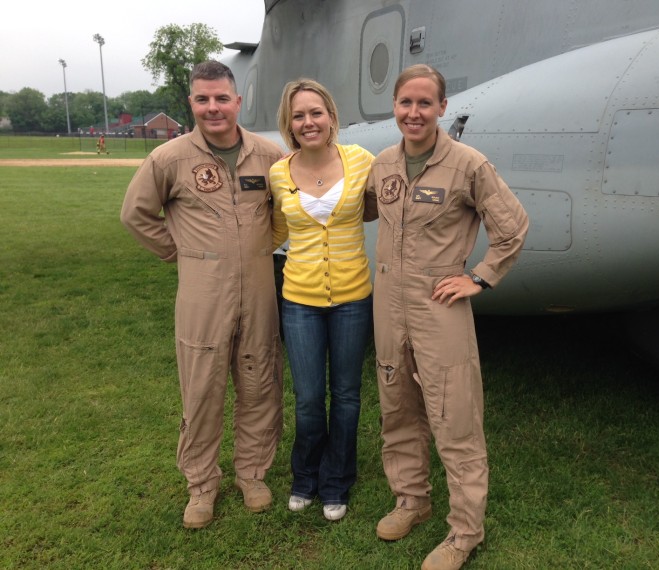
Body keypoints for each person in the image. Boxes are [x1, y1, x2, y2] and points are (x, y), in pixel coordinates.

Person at [364, 64, 529, 570]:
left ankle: (464, 532)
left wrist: (478, 278)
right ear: (394, 107)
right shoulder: (383, 164)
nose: (413, 113)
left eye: (423, 103)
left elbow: (513, 227)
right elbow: (360, 209)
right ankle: (412, 500)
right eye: (405, 103)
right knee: (398, 408)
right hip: (388, 304)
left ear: (442, 107)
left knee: (455, 419)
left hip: (440, 308)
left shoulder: (468, 164)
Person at [120, 60, 284, 529]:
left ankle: (252, 474)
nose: (213, 107)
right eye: (202, 99)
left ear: (237, 101)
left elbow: (283, 211)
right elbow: (136, 213)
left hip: (257, 293)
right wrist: (180, 253)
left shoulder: (268, 156)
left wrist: (258, 250)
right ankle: (201, 485)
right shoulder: (170, 159)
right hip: (202, 297)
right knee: (202, 390)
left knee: (259, 385)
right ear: (191, 104)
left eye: (221, 98)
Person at [269, 79, 374, 522]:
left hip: (353, 297)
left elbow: (387, 203)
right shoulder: (279, 172)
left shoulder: (361, 160)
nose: (308, 122)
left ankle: (336, 481)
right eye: (298, 116)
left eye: (316, 112)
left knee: (346, 394)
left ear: (331, 115)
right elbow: (273, 231)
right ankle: (305, 476)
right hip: (299, 300)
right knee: (310, 396)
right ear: (288, 125)